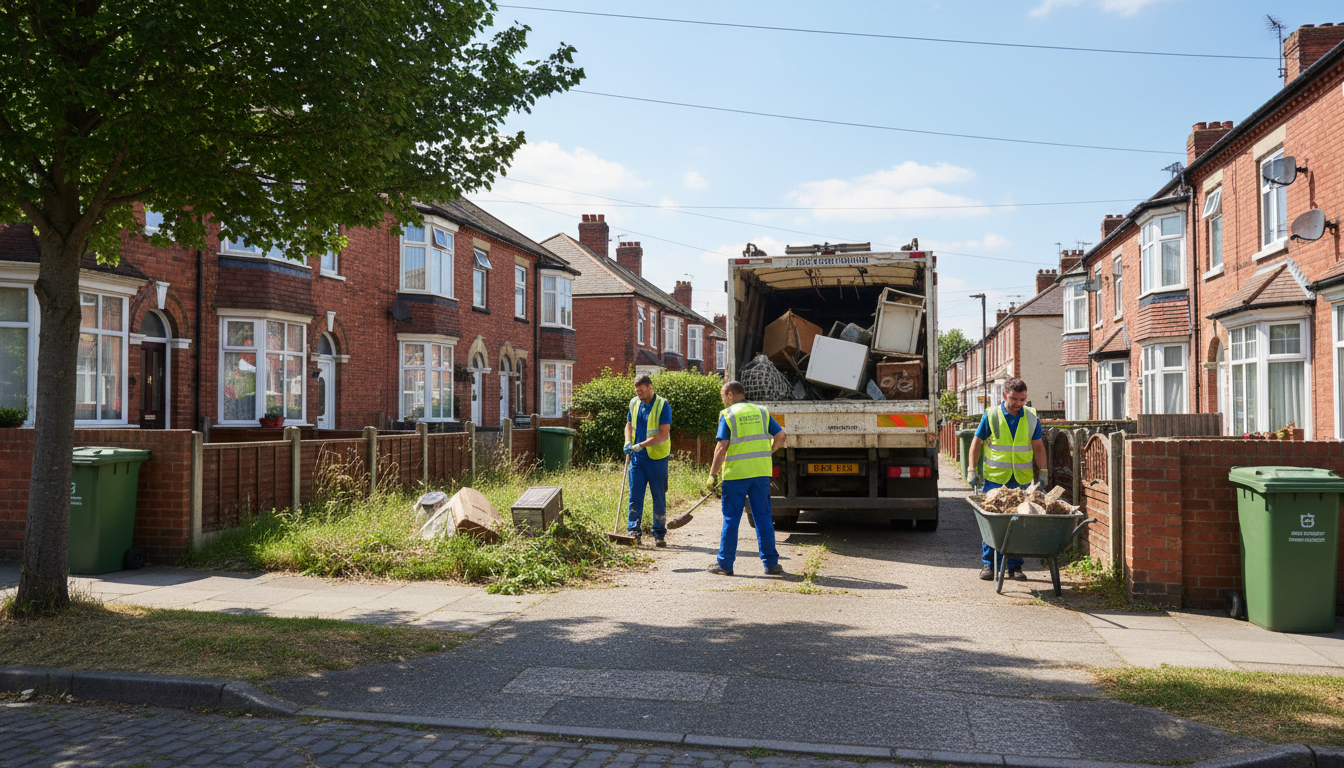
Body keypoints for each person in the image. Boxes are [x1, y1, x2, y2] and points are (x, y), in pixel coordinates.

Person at [967, 377, 1048, 582]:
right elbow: (976, 443)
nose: (1019, 403)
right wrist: (971, 470)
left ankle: (1015, 566)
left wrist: (1044, 471)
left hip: (1020, 478)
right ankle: (989, 565)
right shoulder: (992, 416)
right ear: (1005, 395)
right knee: (992, 520)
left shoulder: (1031, 418)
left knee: (1019, 521)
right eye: (1014, 398)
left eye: (1023, 399)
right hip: (996, 478)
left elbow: (1038, 447)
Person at [705, 380, 786, 576]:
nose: (723, 400)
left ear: (730, 395)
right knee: (763, 518)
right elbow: (781, 436)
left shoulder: (728, 415)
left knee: (731, 519)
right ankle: (771, 564)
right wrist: (768, 451)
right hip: (760, 474)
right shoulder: (761, 412)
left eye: (723, 396)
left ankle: (725, 565)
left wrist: (712, 475)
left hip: (737, 476)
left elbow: (721, 447)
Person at [624, 374, 672, 545]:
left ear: (650, 387)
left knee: (658, 496)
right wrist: (628, 441)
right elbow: (629, 425)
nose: (639, 394)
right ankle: (633, 531)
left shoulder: (662, 405)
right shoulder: (634, 403)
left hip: (657, 459)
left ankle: (659, 534)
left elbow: (663, 434)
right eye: (637, 391)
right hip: (637, 459)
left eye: (642, 391)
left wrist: (641, 445)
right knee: (635, 495)